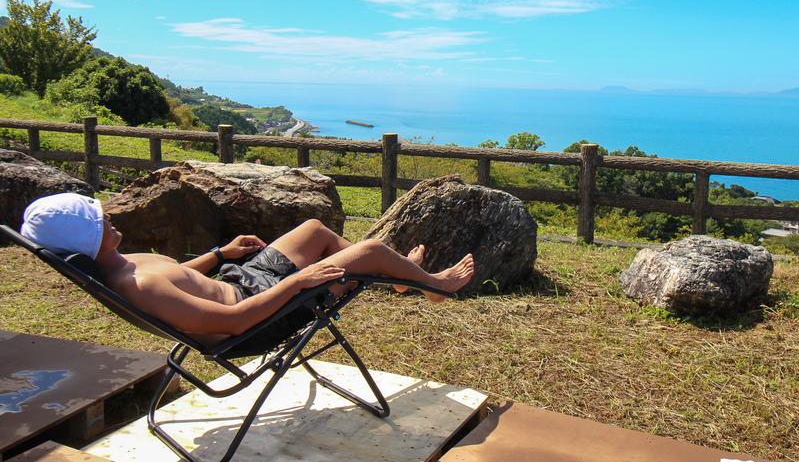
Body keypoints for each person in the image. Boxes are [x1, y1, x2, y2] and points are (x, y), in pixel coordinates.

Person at [20, 193, 474, 341]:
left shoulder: (123, 264)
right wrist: (298, 281)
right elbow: (234, 322)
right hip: (264, 310)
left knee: (315, 229)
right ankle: (434, 285)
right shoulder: (139, 286)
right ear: (84, 241)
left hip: (241, 280)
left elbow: (180, 273)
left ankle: (399, 282)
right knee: (371, 250)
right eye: (100, 222)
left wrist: (221, 254)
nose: (111, 219)